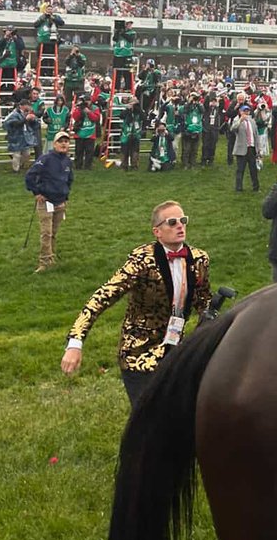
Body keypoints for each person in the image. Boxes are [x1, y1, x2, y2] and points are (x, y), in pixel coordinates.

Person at [60, 201, 211, 407]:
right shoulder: (142, 260)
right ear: (157, 231)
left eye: (183, 220)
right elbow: (102, 297)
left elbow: (204, 301)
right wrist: (75, 343)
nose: (180, 226)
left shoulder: (199, 259)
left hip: (176, 352)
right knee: (149, 420)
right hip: (139, 355)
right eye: (172, 222)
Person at [25, 131, 74, 272]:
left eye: (66, 141)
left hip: (60, 202)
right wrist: (36, 192)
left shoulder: (67, 161)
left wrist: (66, 197)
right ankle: (44, 262)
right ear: (55, 144)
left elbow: (70, 179)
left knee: (53, 232)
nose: (64, 144)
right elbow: (30, 176)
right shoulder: (45, 159)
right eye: (61, 141)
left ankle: (50, 257)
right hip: (46, 201)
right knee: (46, 232)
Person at [3, 100, 41, 173]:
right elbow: (14, 124)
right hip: (16, 137)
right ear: (21, 106)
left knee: (27, 154)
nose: (28, 107)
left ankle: (20, 164)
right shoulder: (14, 114)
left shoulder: (28, 113)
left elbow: (34, 125)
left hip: (25, 137)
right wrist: (25, 119)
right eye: (27, 105)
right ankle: (15, 170)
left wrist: (33, 120)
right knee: (16, 154)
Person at [232, 105, 260, 192]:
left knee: (253, 169)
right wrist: (240, 120)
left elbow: (256, 135)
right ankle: (238, 187)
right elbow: (233, 129)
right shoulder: (237, 120)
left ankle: (256, 187)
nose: (246, 113)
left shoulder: (252, 121)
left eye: (247, 111)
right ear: (240, 112)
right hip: (242, 149)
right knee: (240, 170)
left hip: (251, 148)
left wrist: (258, 148)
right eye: (244, 111)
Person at [71, 94, 101, 171]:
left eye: (88, 100)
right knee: (78, 151)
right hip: (79, 133)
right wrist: (79, 109)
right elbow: (75, 117)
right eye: (85, 101)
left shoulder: (95, 108)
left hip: (90, 134)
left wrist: (89, 112)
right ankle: (78, 165)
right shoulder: (78, 107)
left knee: (89, 151)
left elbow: (96, 118)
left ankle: (88, 166)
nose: (87, 102)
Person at [179, 93, 203, 168]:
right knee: (187, 148)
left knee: (195, 149)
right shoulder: (185, 106)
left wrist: (197, 102)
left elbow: (203, 111)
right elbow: (184, 111)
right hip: (188, 129)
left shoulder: (198, 106)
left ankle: (193, 163)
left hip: (197, 129)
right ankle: (185, 163)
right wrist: (189, 102)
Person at [112, 20, 136, 91]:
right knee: (117, 72)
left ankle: (128, 87)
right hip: (118, 55)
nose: (130, 26)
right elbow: (114, 39)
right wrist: (118, 31)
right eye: (128, 24)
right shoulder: (118, 32)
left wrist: (123, 33)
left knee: (128, 72)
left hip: (127, 55)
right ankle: (116, 87)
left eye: (131, 24)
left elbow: (130, 39)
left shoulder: (132, 32)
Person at [120, 99, 143, 171]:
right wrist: (128, 109)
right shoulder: (126, 111)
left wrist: (137, 109)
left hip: (136, 133)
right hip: (126, 133)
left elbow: (144, 117)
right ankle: (124, 166)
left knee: (135, 151)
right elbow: (121, 116)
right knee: (125, 150)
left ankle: (134, 166)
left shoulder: (139, 112)